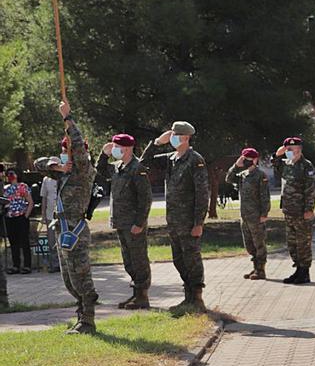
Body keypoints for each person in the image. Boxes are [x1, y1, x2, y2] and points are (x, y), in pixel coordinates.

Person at [34, 100, 99, 334]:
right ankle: (81, 315)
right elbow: (38, 164)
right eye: (64, 151)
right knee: (69, 279)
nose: (66, 155)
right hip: (62, 229)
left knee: (81, 276)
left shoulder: (84, 171)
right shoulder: (63, 174)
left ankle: (89, 321)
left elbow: (79, 146)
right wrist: (57, 165)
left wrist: (67, 117)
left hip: (76, 230)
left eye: (67, 151)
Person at [141, 121, 209, 313]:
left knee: (192, 259)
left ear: (186, 138)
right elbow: (144, 163)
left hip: (189, 221)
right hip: (174, 221)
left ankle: (196, 299)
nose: (172, 138)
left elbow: (202, 193)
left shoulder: (195, 159)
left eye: (175, 135)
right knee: (178, 259)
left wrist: (198, 222)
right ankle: (188, 298)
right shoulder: (171, 158)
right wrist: (155, 143)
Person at [96, 134, 153, 309]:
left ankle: (142, 296)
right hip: (121, 222)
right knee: (128, 260)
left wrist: (139, 222)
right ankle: (136, 293)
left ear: (127, 148)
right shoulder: (118, 167)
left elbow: (145, 198)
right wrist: (103, 155)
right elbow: (100, 171)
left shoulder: (137, 168)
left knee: (139, 259)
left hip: (133, 223)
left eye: (116, 147)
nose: (114, 150)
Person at [272, 137, 315, 285]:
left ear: (300, 149)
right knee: (292, 243)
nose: (290, 151)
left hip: (301, 211)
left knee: (303, 242)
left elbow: (311, 189)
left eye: (292, 149)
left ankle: (305, 272)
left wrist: (309, 209)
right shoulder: (286, 164)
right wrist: (278, 154)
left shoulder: (306, 166)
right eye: (288, 149)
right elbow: (275, 163)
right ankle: (298, 269)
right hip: (288, 210)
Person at [227, 148, 271, 280]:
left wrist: (264, 213)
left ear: (255, 160)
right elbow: (229, 178)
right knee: (249, 244)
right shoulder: (243, 175)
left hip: (256, 216)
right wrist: (236, 165)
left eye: (248, 159)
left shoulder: (260, 175)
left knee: (259, 243)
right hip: (245, 216)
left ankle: (261, 270)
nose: (245, 161)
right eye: (244, 158)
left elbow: (265, 196)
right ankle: (255, 268)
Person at [3, 170, 34, 275]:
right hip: (9, 218)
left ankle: (27, 265)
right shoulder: (5, 189)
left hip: (21, 217)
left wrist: (26, 216)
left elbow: (30, 202)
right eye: (8, 174)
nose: (10, 176)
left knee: (24, 242)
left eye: (12, 173)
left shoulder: (23, 186)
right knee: (13, 242)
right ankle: (16, 265)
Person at [40, 174, 60, 273]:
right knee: (52, 241)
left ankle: (64, 264)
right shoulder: (46, 179)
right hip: (50, 215)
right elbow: (44, 198)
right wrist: (43, 215)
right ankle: (55, 264)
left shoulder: (64, 176)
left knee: (63, 239)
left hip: (62, 215)